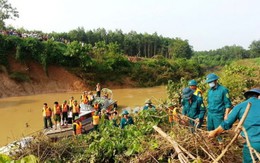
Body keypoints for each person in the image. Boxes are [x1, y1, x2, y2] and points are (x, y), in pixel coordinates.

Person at [208, 88, 260, 163]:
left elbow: (227, 123)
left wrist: (215, 132)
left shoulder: (240, 106)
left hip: (253, 143)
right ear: (258, 96)